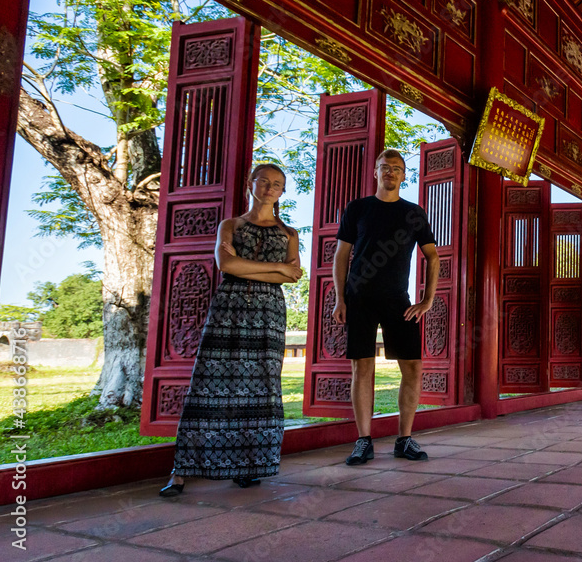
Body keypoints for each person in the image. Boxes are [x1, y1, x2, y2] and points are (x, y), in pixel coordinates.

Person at [159, 164, 302, 497]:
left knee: (259, 387)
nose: (269, 187)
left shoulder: (289, 233)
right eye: (263, 181)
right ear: (250, 183)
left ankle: (247, 465)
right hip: (229, 308)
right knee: (210, 382)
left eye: (277, 184)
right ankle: (180, 472)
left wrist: (259, 269)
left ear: (283, 191)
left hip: (268, 313)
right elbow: (227, 265)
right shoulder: (231, 225)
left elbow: (292, 276)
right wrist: (276, 267)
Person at [333, 148, 440, 465]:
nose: (390, 172)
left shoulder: (413, 213)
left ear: (404, 175)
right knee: (362, 368)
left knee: (413, 368)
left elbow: (432, 256)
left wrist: (427, 299)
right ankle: (363, 441)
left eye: (397, 168)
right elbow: (341, 255)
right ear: (375, 172)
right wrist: (340, 297)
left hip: (398, 300)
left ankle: (404, 439)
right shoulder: (358, 208)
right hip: (359, 297)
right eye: (384, 167)